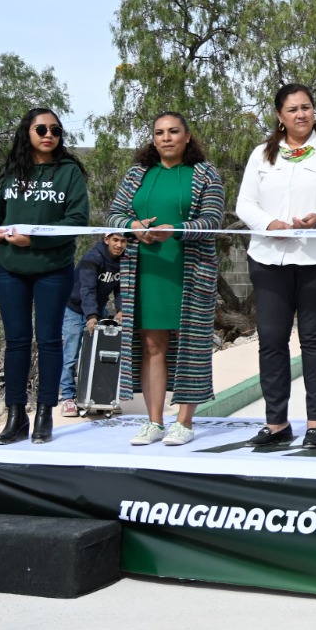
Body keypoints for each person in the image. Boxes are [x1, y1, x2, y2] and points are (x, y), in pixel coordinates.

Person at [237, 83, 316, 449]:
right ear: (280, 116)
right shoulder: (262, 155)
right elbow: (245, 203)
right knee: (272, 340)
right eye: (292, 109)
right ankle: (276, 424)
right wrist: (268, 224)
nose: (301, 114)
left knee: (314, 339)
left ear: (314, 111)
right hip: (268, 258)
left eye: (306, 107)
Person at [106, 112, 225, 447]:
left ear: (187, 137)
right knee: (151, 345)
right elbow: (114, 215)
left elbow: (213, 221)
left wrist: (176, 230)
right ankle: (154, 421)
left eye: (174, 132)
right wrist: (134, 228)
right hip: (145, 268)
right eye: (160, 133)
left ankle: (184, 422)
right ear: (153, 139)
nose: (167, 138)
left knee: (193, 346)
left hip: (190, 271)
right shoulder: (137, 174)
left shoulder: (205, 174)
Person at [0, 108, 91, 445]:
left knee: (50, 340)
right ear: (27, 132)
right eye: (41, 128)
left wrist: (35, 239)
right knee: (16, 342)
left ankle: (44, 414)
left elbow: (77, 221)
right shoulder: (11, 172)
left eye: (55, 130)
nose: (48, 135)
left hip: (53, 270)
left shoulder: (69, 172)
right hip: (10, 270)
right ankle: (15, 417)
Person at [58, 231, 126, 415]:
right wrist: (91, 317)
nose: (119, 245)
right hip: (75, 309)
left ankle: (102, 396)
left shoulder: (123, 260)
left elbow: (121, 289)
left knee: (103, 354)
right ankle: (68, 398)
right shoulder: (92, 258)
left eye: (123, 241)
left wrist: (120, 310)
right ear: (106, 240)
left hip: (97, 309)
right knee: (71, 355)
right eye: (115, 240)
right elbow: (87, 289)